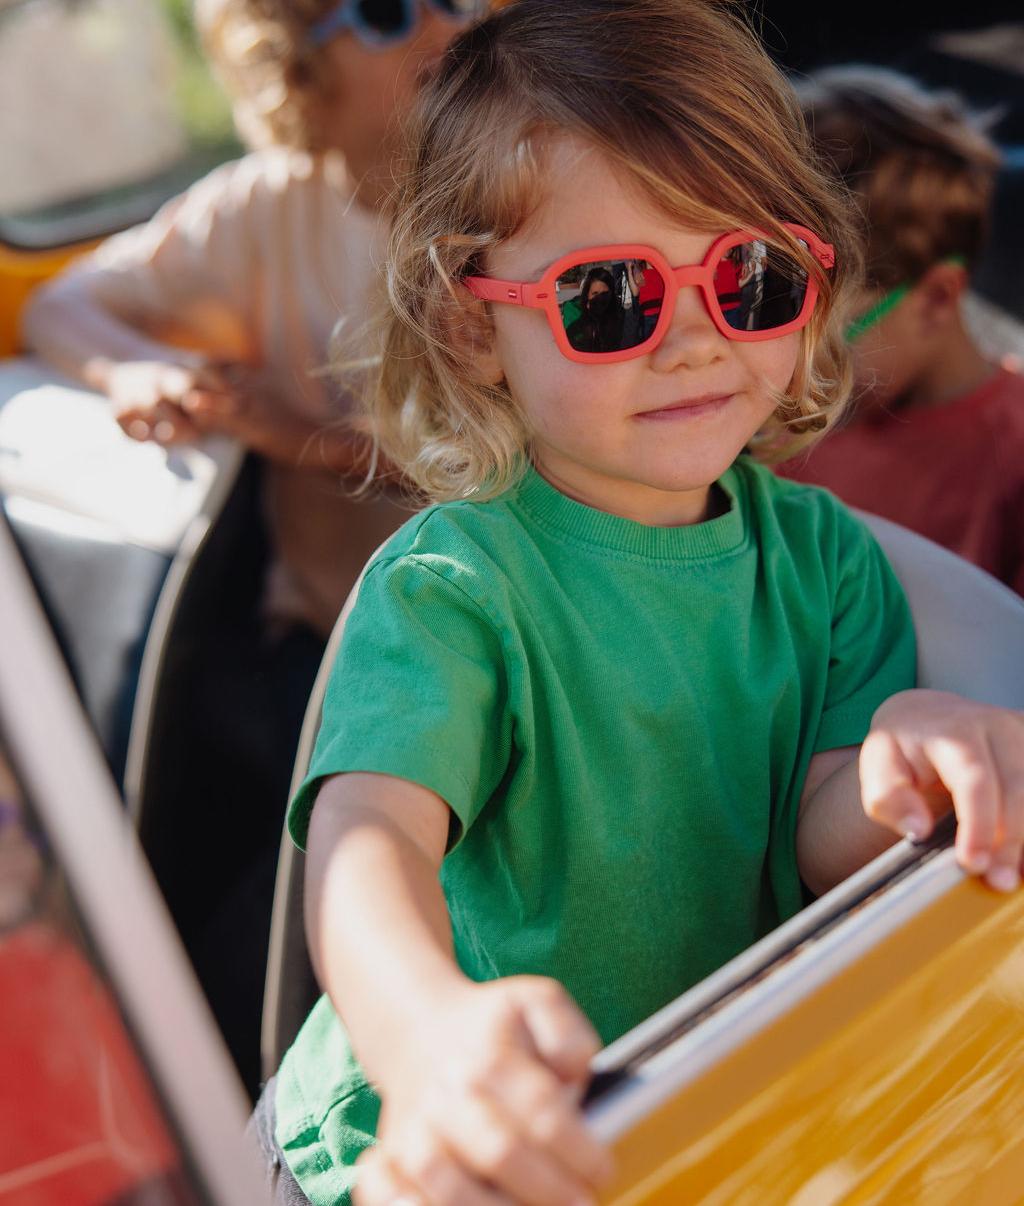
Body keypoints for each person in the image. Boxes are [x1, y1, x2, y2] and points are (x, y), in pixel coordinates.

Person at [252, 4, 1024, 1203]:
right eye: (609, 299)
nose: (694, 343)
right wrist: (427, 1041)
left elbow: (821, 832)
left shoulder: (824, 563)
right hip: (422, 1139)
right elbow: (369, 841)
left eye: (750, 279)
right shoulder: (458, 586)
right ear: (471, 331)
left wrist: (904, 752)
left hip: (690, 1115)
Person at [20, 0, 493, 1097]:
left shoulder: (505, 195)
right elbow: (68, 306)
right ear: (291, 67)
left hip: (486, 630)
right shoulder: (264, 211)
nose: (441, 23)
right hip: (333, 634)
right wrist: (134, 372)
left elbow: (484, 453)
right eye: (383, 11)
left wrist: (296, 436)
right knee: (224, 849)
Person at [778, 66, 1024, 595]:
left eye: (825, 343)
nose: (790, 376)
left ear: (937, 298)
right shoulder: (787, 432)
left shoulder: (1012, 462)